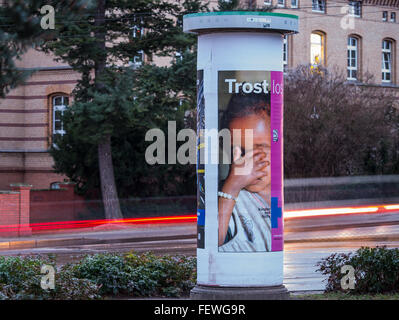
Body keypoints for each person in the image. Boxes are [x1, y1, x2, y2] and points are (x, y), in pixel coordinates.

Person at [218, 92, 271, 252]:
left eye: (259, 150)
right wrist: (231, 188)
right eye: (239, 150)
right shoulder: (227, 197)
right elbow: (210, 243)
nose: (248, 162)